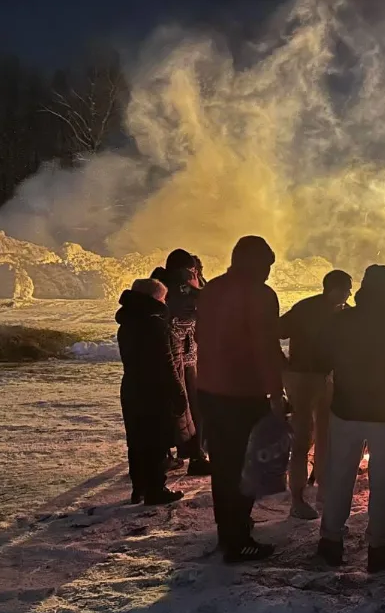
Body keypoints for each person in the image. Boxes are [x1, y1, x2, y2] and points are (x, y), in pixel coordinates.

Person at [316, 265, 385, 572]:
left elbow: (322, 358)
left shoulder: (342, 322)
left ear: (363, 288)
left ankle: (330, 541)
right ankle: (378, 546)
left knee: (340, 477)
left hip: (346, 412)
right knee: (382, 482)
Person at [196, 236, 284, 563]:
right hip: (244, 393)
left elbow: (200, 336)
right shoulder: (260, 295)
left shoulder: (211, 290)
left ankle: (228, 530)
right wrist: (276, 392)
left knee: (223, 466)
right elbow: (265, 346)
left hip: (210, 390)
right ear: (255, 264)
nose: (268, 273)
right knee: (246, 467)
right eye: (267, 266)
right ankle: (239, 541)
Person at [280, 269, 353, 520]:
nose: (349, 294)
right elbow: (275, 331)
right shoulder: (305, 309)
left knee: (326, 435)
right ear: (332, 289)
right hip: (302, 378)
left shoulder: (343, 313)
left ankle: (323, 490)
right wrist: (282, 365)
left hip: (327, 378)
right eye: (345, 289)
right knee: (302, 439)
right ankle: (297, 499)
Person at [115, 278, 187, 506]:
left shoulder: (127, 322)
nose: (165, 302)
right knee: (157, 440)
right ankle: (156, 489)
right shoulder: (154, 324)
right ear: (155, 298)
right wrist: (178, 392)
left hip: (132, 386)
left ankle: (139, 488)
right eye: (163, 298)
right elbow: (166, 362)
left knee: (137, 440)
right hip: (155, 389)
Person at [161, 248, 211, 477]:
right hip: (183, 353)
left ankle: (166, 456)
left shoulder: (162, 283)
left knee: (170, 405)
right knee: (192, 405)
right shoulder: (185, 286)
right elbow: (204, 304)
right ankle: (197, 456)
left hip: (172, 352)